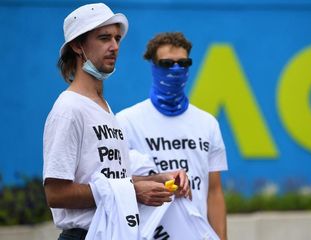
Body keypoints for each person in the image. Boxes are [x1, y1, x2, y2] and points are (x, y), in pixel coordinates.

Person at [43, 4, 189, 240]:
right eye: (104, 38)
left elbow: (111, 181)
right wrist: (134, 192)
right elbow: (56, 194)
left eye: (117, 38)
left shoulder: (104, 108)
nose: (114, 47)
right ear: (77, 45)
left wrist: (158, 178)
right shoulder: (68, 109)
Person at [116, 32, 228, 240]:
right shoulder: (125, 122)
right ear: (153, 66)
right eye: (167, 64)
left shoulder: (208, 123)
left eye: (184, 63)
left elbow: (214, 192)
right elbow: (114, 184)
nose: (176, 70)